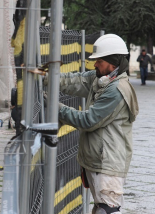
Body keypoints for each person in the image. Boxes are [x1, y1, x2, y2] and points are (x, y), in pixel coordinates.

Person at [38, 34, 139, 214]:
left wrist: (56, 106)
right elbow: (76, 81)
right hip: (98, 161)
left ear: (112, 62)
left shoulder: (116, 90)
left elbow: (88, 120)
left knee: (106, 210)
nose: (95, 64)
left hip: (107, 164)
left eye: (99, 61)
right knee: (100, 209)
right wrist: (45, 78)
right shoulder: (102, 79)